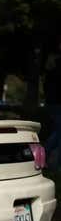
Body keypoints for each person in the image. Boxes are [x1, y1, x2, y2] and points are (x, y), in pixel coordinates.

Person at [45, 36, 61, 169]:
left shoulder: (51, 70)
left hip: (52, 103)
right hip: (56, 103)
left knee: (57, 131)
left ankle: (45, 155)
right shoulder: (56, 70)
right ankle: (45, 155)